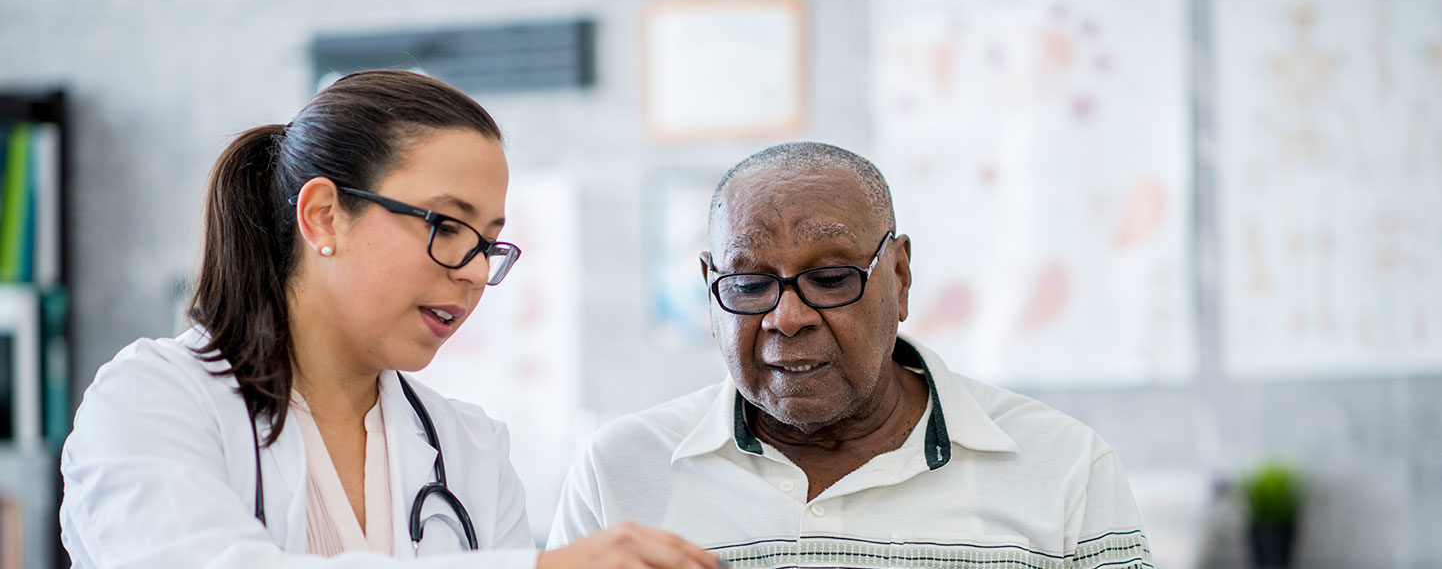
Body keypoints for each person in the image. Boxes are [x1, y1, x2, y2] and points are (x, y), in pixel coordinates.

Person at [60, 70, 721, 569]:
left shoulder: (469, 448)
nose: (472, 270)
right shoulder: (152, 398)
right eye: (445, 224)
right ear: (323, 216)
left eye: (489, 241)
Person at [548, 142, 1152, 568]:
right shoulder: (620, 472)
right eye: (749, 284)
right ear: (709, 290)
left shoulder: (1065, 467)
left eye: (832, 277)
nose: (787, 317)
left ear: (900, 274)